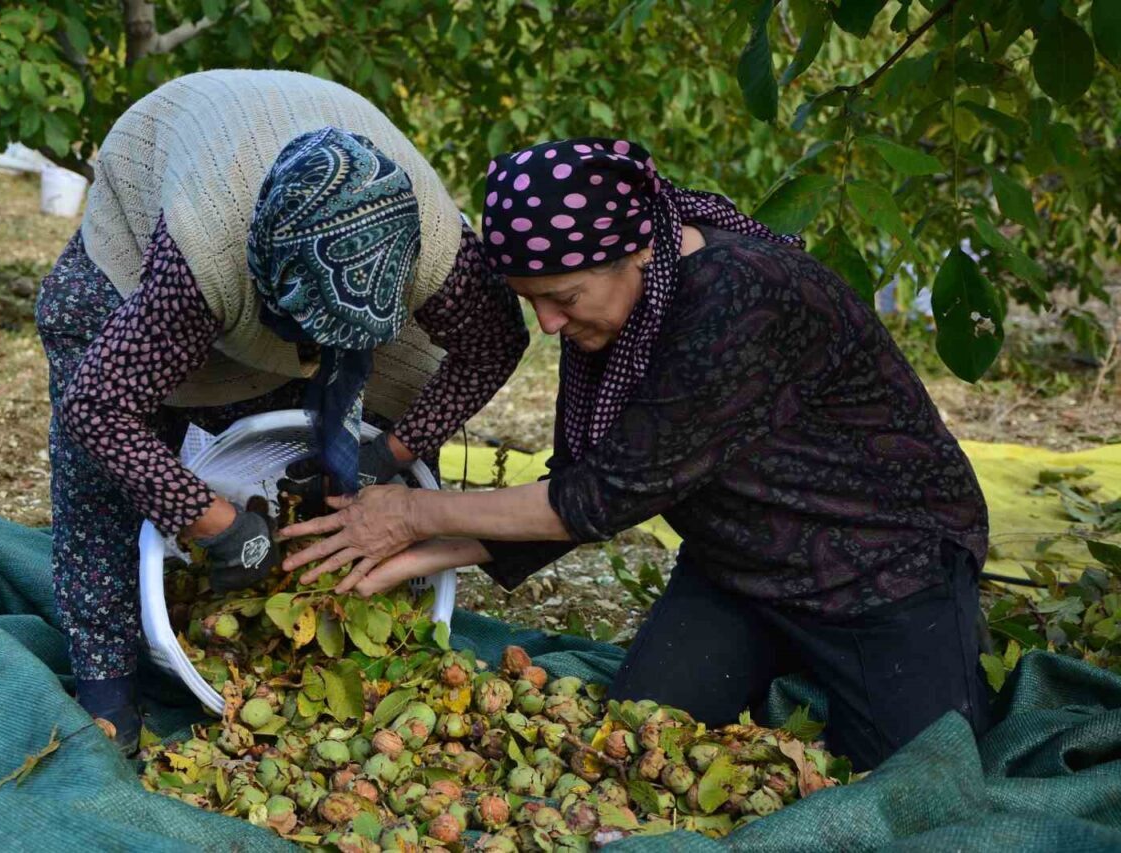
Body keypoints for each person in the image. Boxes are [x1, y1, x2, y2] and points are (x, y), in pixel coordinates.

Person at [280, 137, 992, 770]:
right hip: (739, 565)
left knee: (923, 776)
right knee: (640, 739)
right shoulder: (619, 311)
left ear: (639, 249)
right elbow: (580, 483)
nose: (549, 324)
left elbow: (600, 498)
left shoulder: (740, 298)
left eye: (560, 297)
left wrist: (412, 514)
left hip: (879, 565)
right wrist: (404, 556)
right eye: (534, 303)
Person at [35, 70, 527, 753]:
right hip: (159, 221)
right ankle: (108, 684)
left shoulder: (434, 249)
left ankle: (349, 623)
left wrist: (394, 452)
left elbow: (496, 344)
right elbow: (100, 411)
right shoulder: (197, 254)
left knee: (352, 452)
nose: (311, 352)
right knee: (109, 477)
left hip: (321, 256)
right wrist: (218, 524)